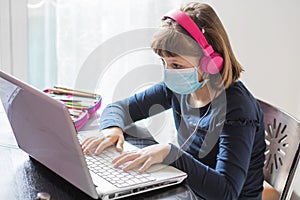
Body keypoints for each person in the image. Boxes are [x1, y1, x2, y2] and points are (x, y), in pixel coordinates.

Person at [81, 2, 266, 199]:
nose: (169, 72)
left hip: (217, 194)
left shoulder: (237, 109)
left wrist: (171, 154)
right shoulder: (179, 88)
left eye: (176, 65)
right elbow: (118, 109)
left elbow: (225, 193)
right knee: (130, 133)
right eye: (164, 63)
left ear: (210, 63)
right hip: (189, 187)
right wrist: (112, 129)